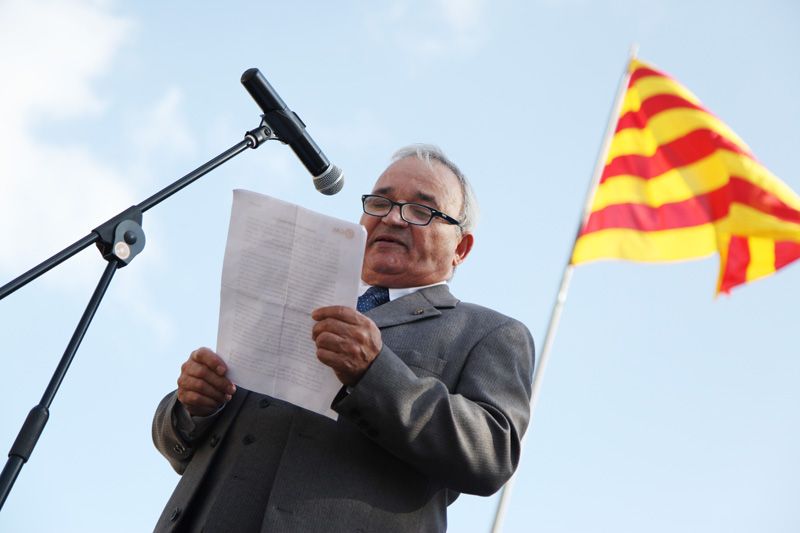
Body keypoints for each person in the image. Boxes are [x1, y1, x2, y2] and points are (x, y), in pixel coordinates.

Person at [152, 144, 535, 533]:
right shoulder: (294, 291)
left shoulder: (489, 333)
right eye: (380, 203)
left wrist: (375, 373)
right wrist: (194, 405)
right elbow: (178, 444)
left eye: (422, 210)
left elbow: (491, 456)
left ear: (461, 248)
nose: (394, 219)